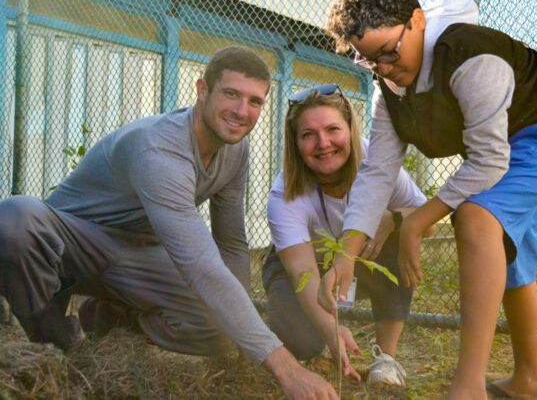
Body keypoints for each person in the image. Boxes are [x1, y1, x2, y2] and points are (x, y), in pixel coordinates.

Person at [0, 46, 338, 400]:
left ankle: (109, 316)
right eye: (231, 94)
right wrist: (285, 366)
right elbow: (201, 265)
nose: (242, 112)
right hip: (76, 244)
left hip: (138, 254)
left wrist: (245, 341)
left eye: (255, 101)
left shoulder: (235, 149)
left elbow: (232, 243)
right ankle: (59, 350)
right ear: (202, 90)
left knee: (221, 327)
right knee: (14, 221)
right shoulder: (159, 150)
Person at [319, 0, 537, 400]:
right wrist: (346, 254)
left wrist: (417, 221)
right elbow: (378, 171)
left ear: (417, 20)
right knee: (510, 259)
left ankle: (467, 388)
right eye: (368, 59)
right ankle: (528, 382)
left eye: (389, 52)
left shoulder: (470, 57)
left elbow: (490, 159)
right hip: (503, 148)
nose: (384, 69)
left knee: (476, 217)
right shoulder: (386, 87)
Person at [263, 83, 431, 387]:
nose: (323, 143)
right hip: (308, 268)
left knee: (401, 234)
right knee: (301, 340)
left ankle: (386, 359)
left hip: (363, 260)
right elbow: (304, 275)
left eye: (332, 129)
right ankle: (321, 351)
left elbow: (427, 220)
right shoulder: (284, 194)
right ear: (295, 143)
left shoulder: (376, 164)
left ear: (350, 129)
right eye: (308, 135)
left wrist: (393, 219)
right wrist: (332, 334)